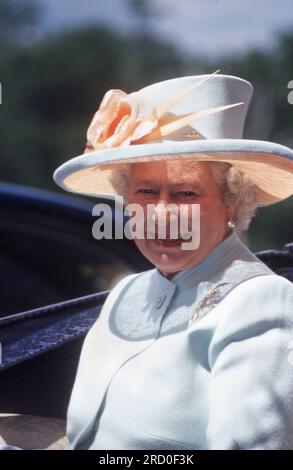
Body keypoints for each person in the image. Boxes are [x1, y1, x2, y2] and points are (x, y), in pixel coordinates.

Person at [2, 72, 293, 450]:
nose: (161, 214)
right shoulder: (127, 292)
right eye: (146, 192)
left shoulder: (262, 299)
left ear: (232, 202)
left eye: (185, 193)